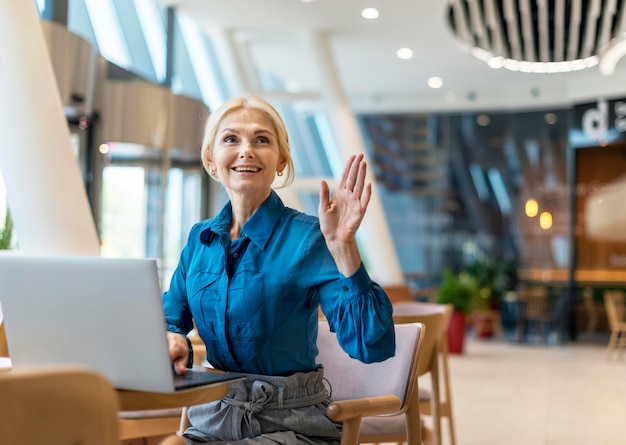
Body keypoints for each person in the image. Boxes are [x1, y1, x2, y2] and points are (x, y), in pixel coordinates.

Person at [163, 95, 395, 444]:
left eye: (261, 140)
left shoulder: (311, 237)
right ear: (211, 161)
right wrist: (173, 339)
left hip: (292, 424)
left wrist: (344, 246)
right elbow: (170, 316)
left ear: (281, 162)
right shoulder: (201, 239)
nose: (246, 150)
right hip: (215, 417)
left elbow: (371, 345)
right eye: (231, 139)